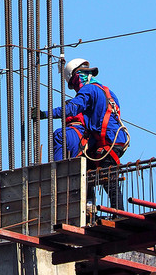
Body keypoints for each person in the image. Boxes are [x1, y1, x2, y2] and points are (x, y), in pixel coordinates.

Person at [38, 58, 129, 209]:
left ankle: (116, 212)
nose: (75, 90)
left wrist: (45, 114)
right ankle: (90, 206)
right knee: (87, 171)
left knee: (106, 180)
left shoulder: (89, 90)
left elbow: (72, 109)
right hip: (115, 140)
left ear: (78, 77)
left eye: (74, 84)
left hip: (109, 142)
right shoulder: (106, 91)